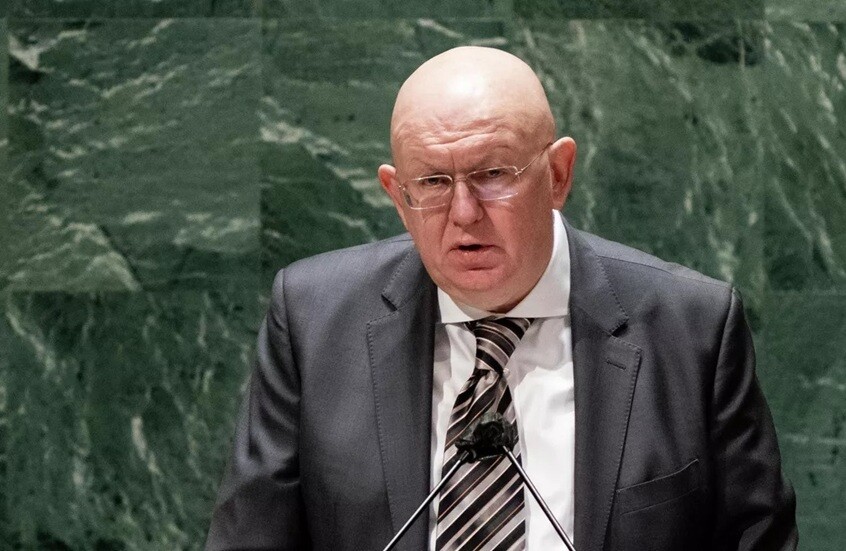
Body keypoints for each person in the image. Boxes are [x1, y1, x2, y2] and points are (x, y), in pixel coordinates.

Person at [205, 47, 797, 550]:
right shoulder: (313, 321)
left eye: (493, 175)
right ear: (397, 195)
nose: (464, 213)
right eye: (432, 182)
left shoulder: (691, 329)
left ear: (558, 173)